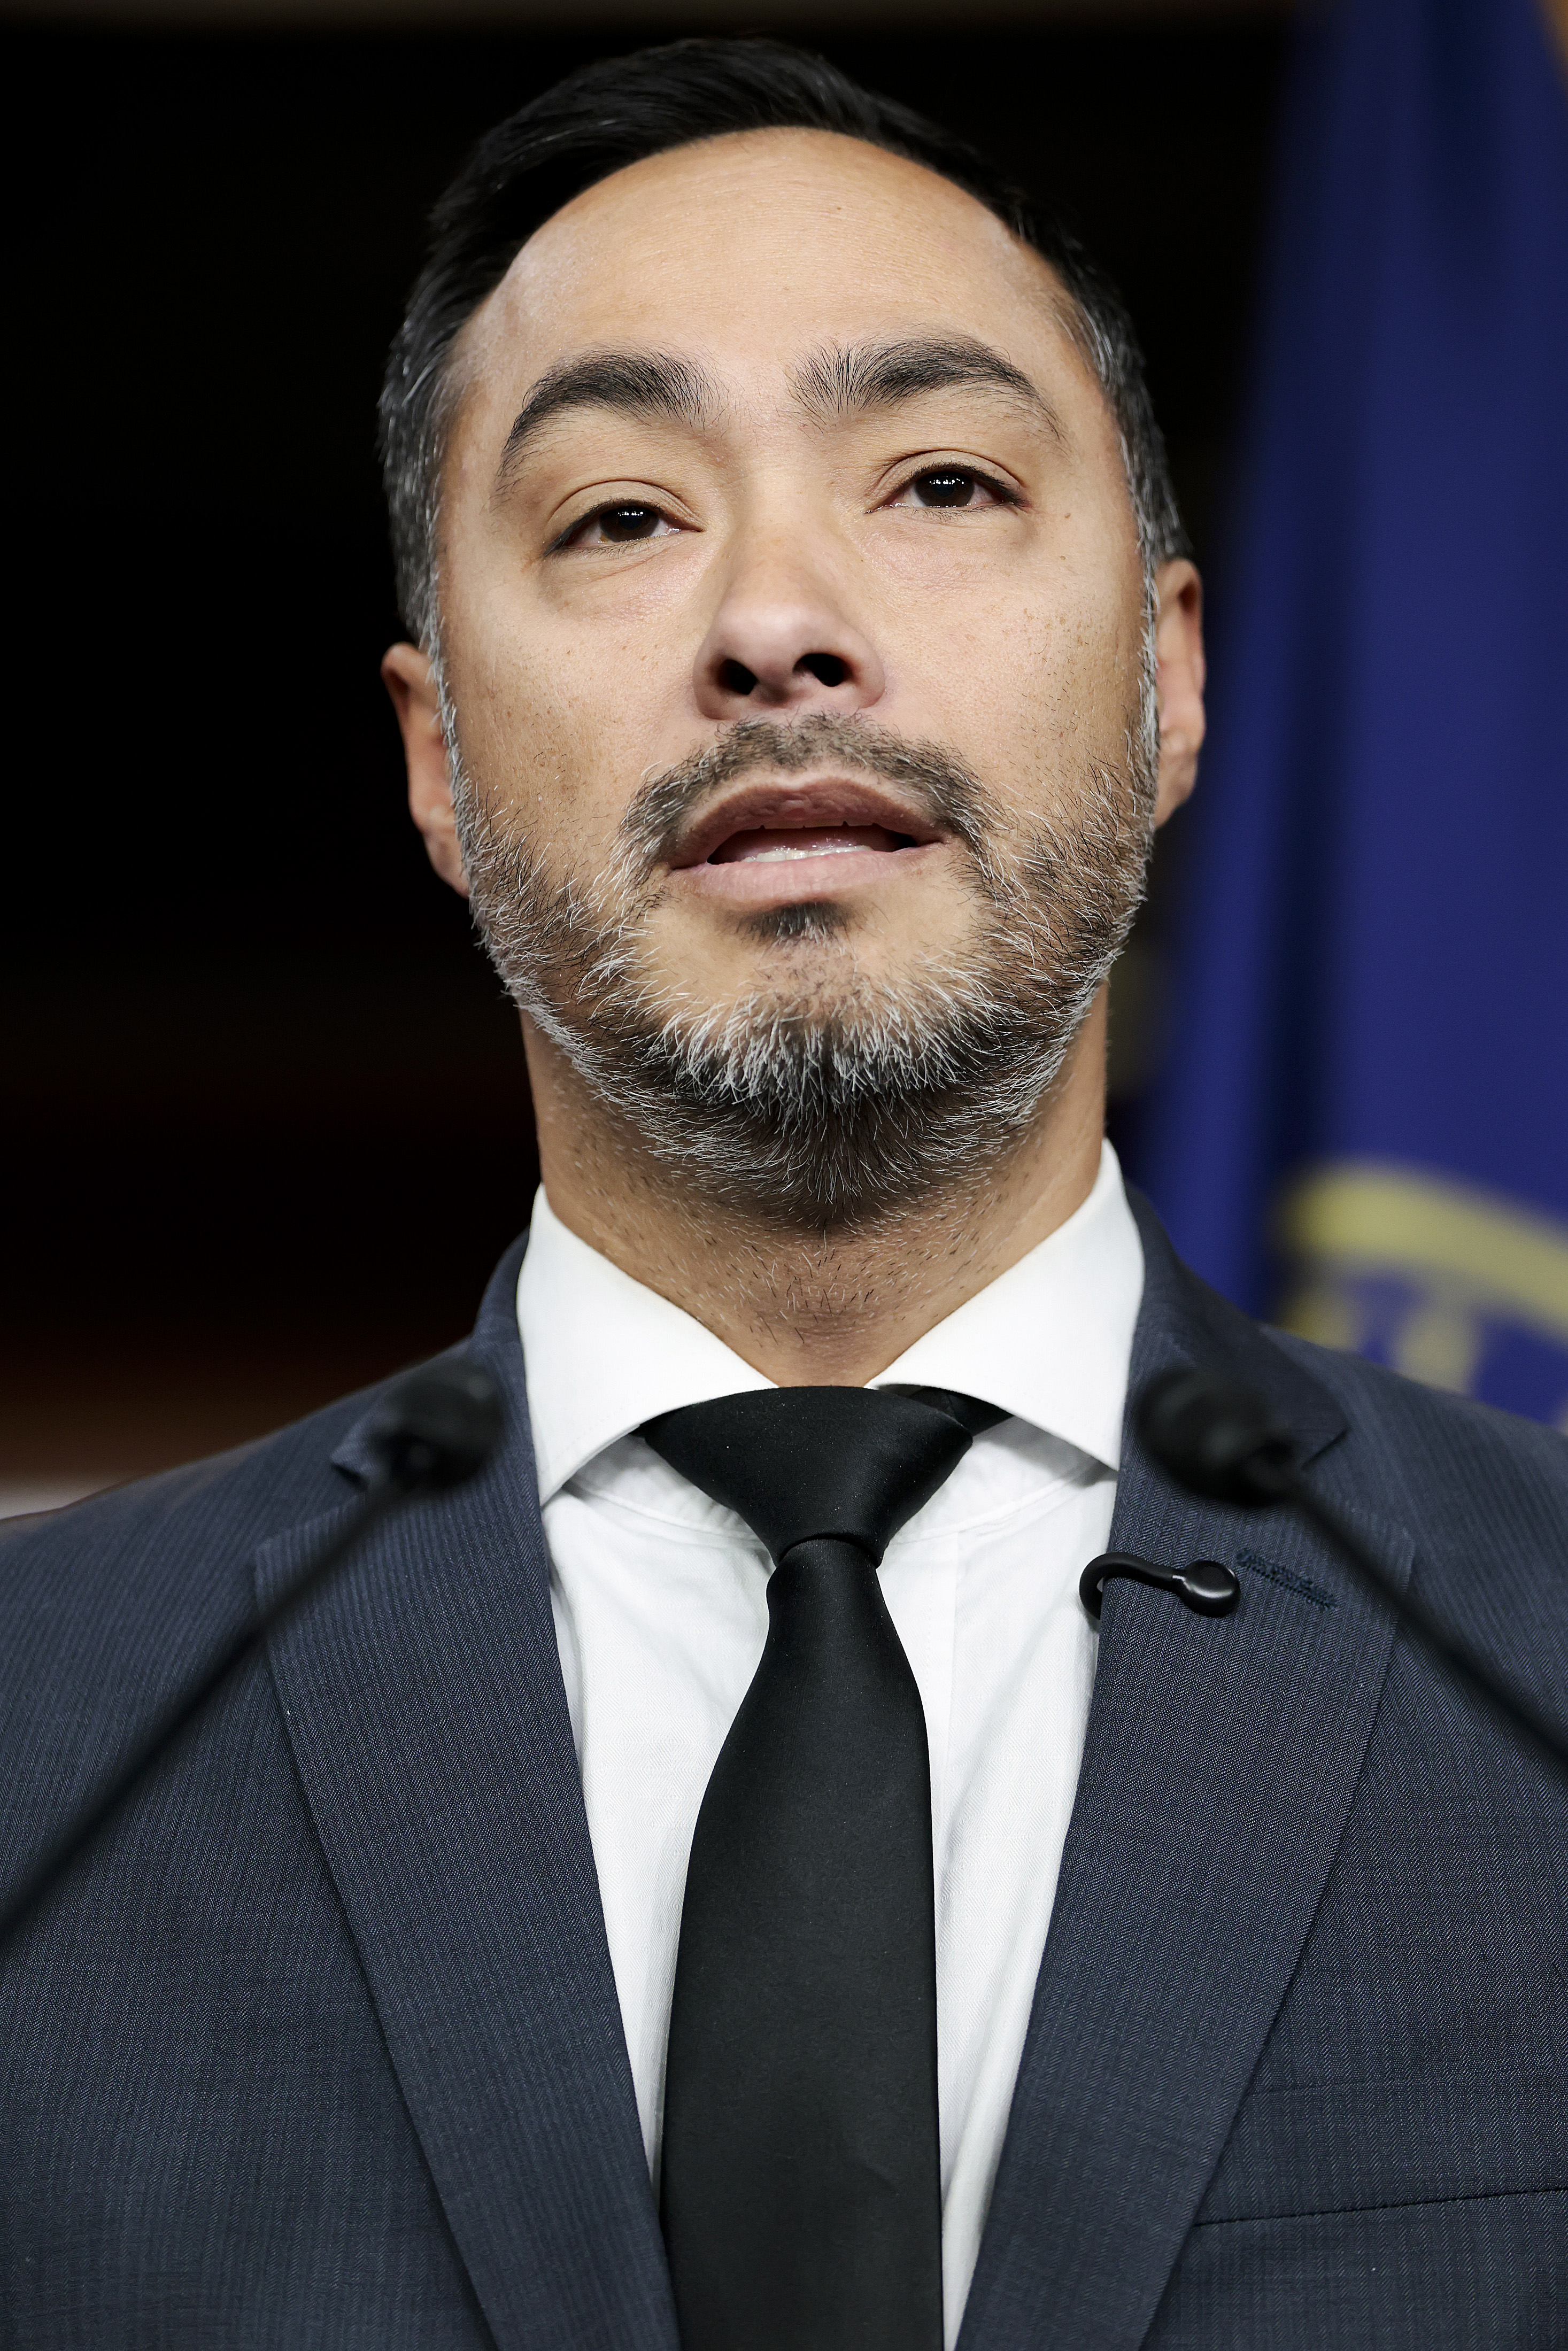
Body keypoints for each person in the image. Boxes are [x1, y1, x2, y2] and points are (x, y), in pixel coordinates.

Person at [3, 37, 1565, 2351]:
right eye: (621, 515)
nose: (777, 622)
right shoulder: (45, 1744)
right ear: (437, 760)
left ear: (1164, 678)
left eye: (933, 477)